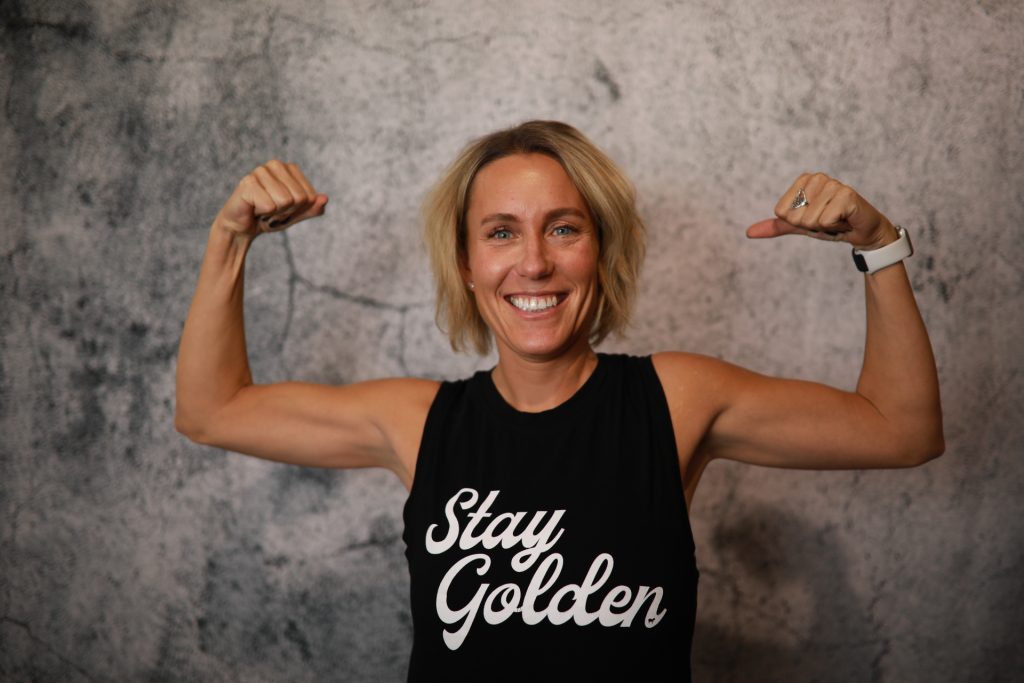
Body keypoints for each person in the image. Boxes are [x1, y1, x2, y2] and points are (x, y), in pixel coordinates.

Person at [175, 120, 943, 681]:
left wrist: (877, 245)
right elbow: (211, 409)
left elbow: (900, 430)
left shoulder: (674, 400)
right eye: (502, 233)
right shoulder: (418, 423)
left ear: (599, 252)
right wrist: (229, 237)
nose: (535, 263)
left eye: (563, 228)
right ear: (468, 265)